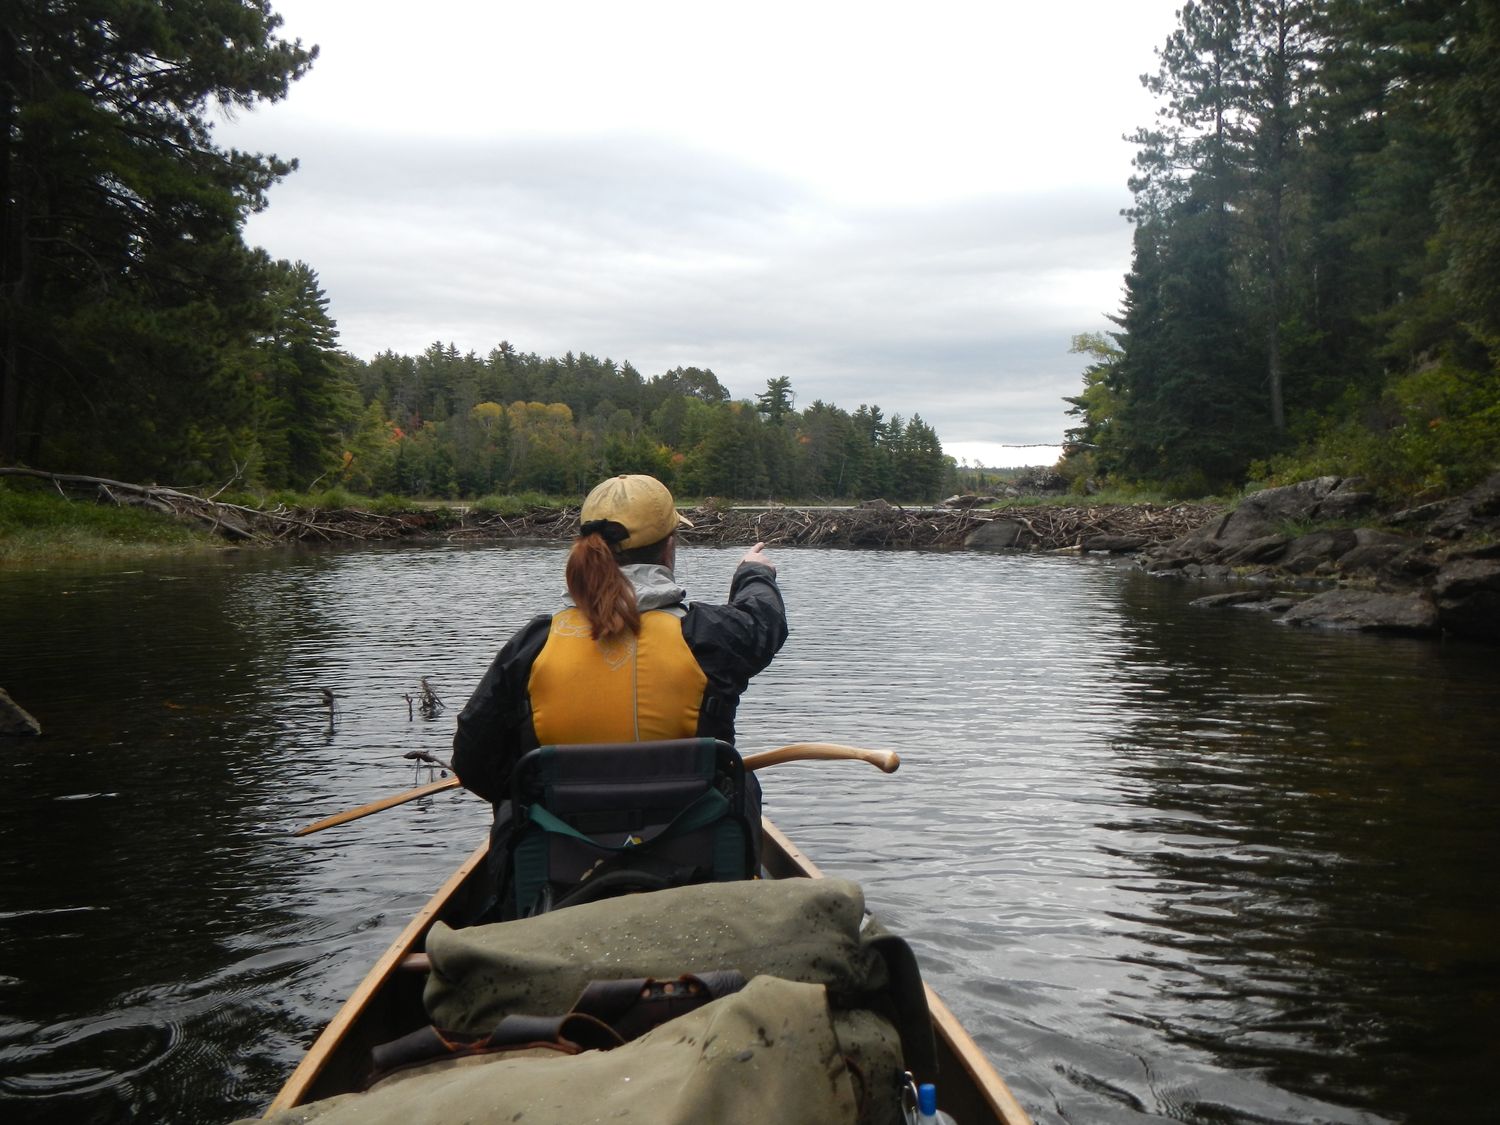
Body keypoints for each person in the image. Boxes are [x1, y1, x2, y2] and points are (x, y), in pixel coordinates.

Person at [452, 473, 787, 912]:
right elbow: (764, 621)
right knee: (739, 780)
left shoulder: (532, 648)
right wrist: (753, 573)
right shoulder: (712, 638)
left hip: (559, 869)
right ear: (669, 547)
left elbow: (473, 763)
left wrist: (535, 795)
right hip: (696, 865)